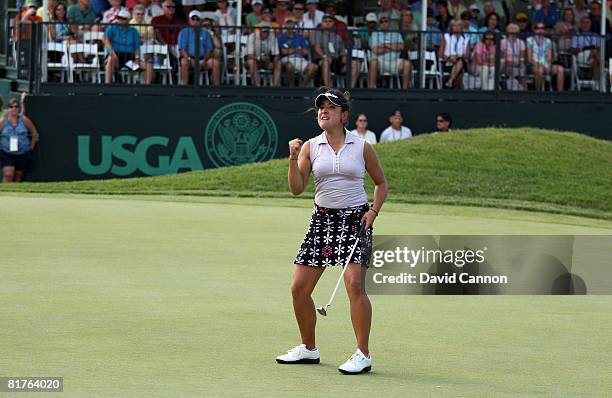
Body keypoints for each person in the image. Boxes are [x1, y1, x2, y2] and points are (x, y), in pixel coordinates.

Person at [278, 88, 387, 375]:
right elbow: (296, 188)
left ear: (344, 116)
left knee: (354, 284)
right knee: (299, 288)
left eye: (331, 107)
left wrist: (373, 212)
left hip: (355, 220)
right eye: (320, 107)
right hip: (322, 221)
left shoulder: (361, 146)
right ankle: (308, 349)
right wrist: (291, 159)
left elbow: (381, 184)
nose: (323, 111)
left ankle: (363, 354)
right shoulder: (310, 147)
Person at [103, 9, 153, 84]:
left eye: (122, 18)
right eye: (118, 18)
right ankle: (107, 84)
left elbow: (137, 47)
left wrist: (137, 58)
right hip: (116, 55)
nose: (119, 20)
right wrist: (111, 51)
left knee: (148, 65)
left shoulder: (134, 31)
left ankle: (147, 87)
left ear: (128, 20)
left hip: (130, 57)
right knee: (110, 59)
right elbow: (105, 38)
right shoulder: (112, 27)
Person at [312, 14, 360, 88]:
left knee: (355, 63)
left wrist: (344, 56)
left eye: (330, 21)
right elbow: (316, 47)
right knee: (326, 61)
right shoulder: (317, 33)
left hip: (336, 61)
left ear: (333, 23)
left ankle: (349, 91)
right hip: (321, 61)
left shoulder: (337, 37)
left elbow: (342, 51)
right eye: (325, 21)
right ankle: (329, 90)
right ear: (322, 23)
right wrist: (324, 56)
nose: (328, 23)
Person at [368, 13, 412, 90]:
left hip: (395, 62)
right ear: (379, 24)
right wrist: (394, 47)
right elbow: (376, 50)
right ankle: (371, 90)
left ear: (389, 23)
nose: (384, 23)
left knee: (407, 64)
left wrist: (385, 45)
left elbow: (402, 46)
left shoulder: (396, 34)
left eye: (386, 21)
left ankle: (405, 92)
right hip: (380, 61)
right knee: (373, 63)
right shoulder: (375, 34)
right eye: (381, 22)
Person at [0, 98, 38, 183]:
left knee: (18, 176)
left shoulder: (24, 120)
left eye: (16, 106)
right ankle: (4, 193)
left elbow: (34, 133)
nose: (14, 108)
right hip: (6, 153)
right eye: (11, 107)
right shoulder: (3, 121)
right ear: (8, 109)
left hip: (22, 152)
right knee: (8, 174)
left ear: (18, 108)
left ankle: (13, 194)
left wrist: (30, 148)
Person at [178, 10, 219, 85]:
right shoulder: (183, 32)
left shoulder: (205, 33)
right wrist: (190, 59)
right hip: (190, 59)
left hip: (203, 59)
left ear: (200, 21)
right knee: (184, 62)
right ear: (189, 20)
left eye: (197, 19)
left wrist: (204, 60)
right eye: (193, 19)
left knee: (215, 63)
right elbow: (182, 50)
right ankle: (184, 87)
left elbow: (209, 49)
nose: (195, 21)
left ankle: (215, 89)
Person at [278, 16, 318, 87]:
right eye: (288, 24)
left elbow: (305, 51)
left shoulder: (300, 37)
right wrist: (297, 49)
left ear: (295, 25)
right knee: (289, 66)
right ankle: (291, 87)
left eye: (292, 24)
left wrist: (290, 50)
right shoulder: (281, 37)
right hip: (287, 59)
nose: (290, 26)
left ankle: (302, 86)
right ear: (285, 25)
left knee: (314, 67)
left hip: (300, 59)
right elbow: (283, 52)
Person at [527, 22, 565, 91]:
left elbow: (549, 57)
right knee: (540, 70)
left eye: (542, 28)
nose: (540, 30)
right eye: (537, 28)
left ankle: (560, 94)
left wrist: (547, 65)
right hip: (533, 65)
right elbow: (529, 59)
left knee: (560, 69)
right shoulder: (529, 40)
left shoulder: (548, 41)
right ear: (534, 30)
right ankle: (538, 95)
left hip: (546, 64)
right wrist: (540, 65)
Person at [439, 20, 470, 89]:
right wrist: (449, 58)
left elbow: (467, 55)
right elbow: (440, 53)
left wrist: (458, 56)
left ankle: (450, 81)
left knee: (460, 62)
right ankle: (457, 92)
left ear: (462, 27)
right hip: (447, 61)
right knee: (460, 72)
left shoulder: (466, 38)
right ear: (451, 27)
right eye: (454, 25)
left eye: (459, 25)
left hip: (461, 61)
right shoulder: (446, 36)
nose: (457, 27)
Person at [571, 17, 601, 86]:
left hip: (593, 57)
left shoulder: (595, 35)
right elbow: (573, 50)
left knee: (596, 59)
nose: (585, 24)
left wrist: (593, 51)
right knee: (596, 55)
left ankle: (595, 84)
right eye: (584, 23)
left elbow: (599, 48)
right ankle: (603, 64)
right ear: (581, 24)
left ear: (590, 24)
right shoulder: (576, 36)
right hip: (581, 56)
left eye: (587, 23)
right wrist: (583, 48)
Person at [500, 23, 527, 90]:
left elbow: (522, 56)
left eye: (515, 29)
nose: (513, 31)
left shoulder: (521, 42)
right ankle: (512, 91)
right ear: (507, 30)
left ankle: (525, 92)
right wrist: (509, 60)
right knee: (509, 66)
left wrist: (520, 62)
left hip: (517, 62)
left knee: (522, 68)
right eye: (511, 28)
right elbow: (502, 56)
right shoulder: (502, 42)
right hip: (505, 63)